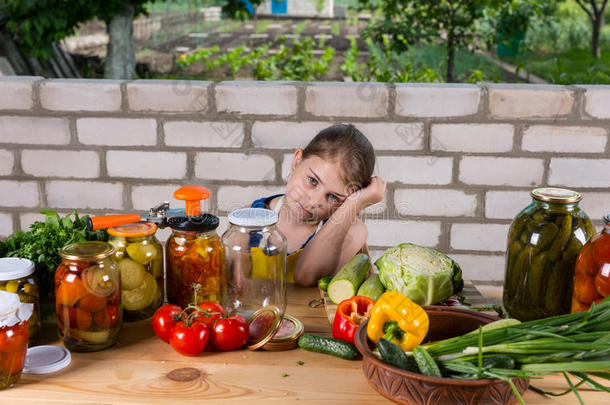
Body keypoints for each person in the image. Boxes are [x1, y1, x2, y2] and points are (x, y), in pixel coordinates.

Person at [250, 124, 386, 286]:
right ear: (297, 160)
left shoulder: (352, 233)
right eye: (312, 181)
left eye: (334, 197)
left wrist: (355, 204)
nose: (314, 202)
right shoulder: (249, 218)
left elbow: (306, 275)